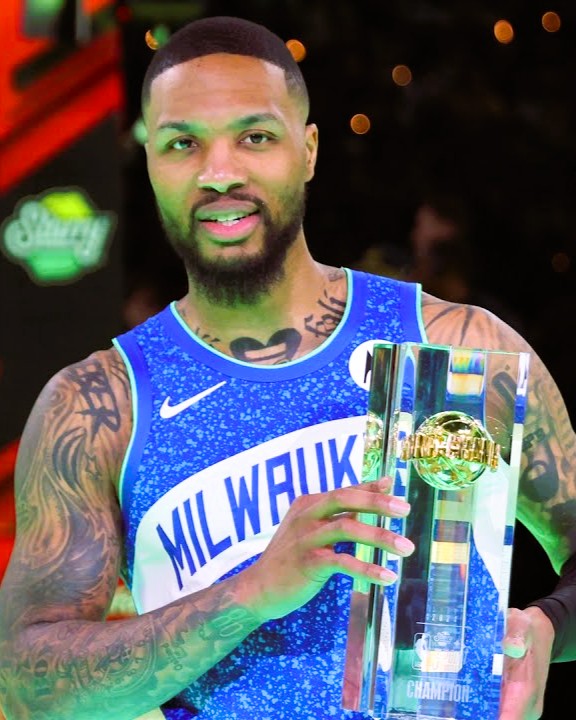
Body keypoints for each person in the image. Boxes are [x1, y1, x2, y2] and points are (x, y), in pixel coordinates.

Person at [0, 15, 575, 720]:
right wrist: (250, 593)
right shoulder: (100, 405)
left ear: (307, 151)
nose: (220, 173)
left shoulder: (458, 347)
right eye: (183, 143)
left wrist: (549, 625)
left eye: (255, 137)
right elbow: (27, 686)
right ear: (150, 162)